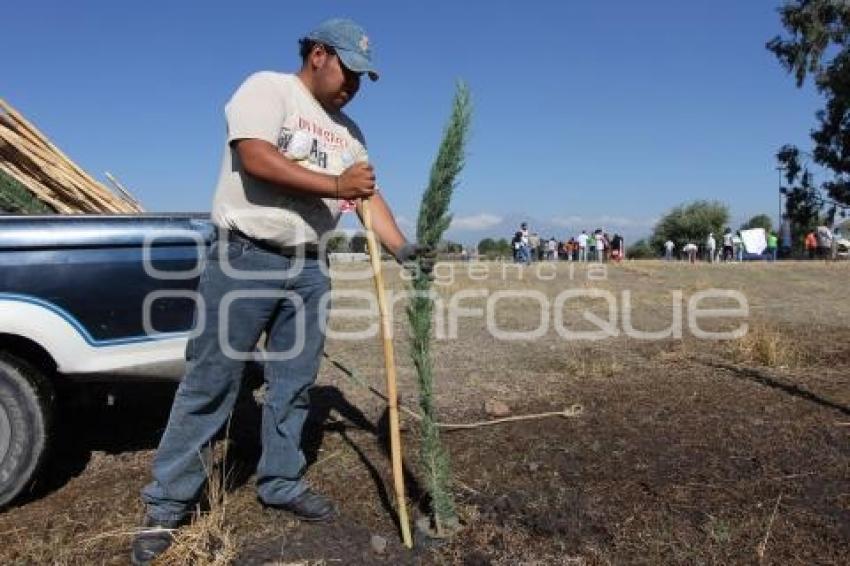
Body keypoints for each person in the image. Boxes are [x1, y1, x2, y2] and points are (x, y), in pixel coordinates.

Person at [131, 19, 434, 565]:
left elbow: (367, 198)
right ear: (318, 54)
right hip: (247, 256)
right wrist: (336, 186)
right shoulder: (267, 89)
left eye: (364, 78)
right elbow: (256, 157)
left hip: (310, 268)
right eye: (349, 71)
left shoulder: (349, 133)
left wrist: (402, 249)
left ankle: (282, 481)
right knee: (212, 380)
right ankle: (166, 505)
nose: (354, 86)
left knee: (294, 382)